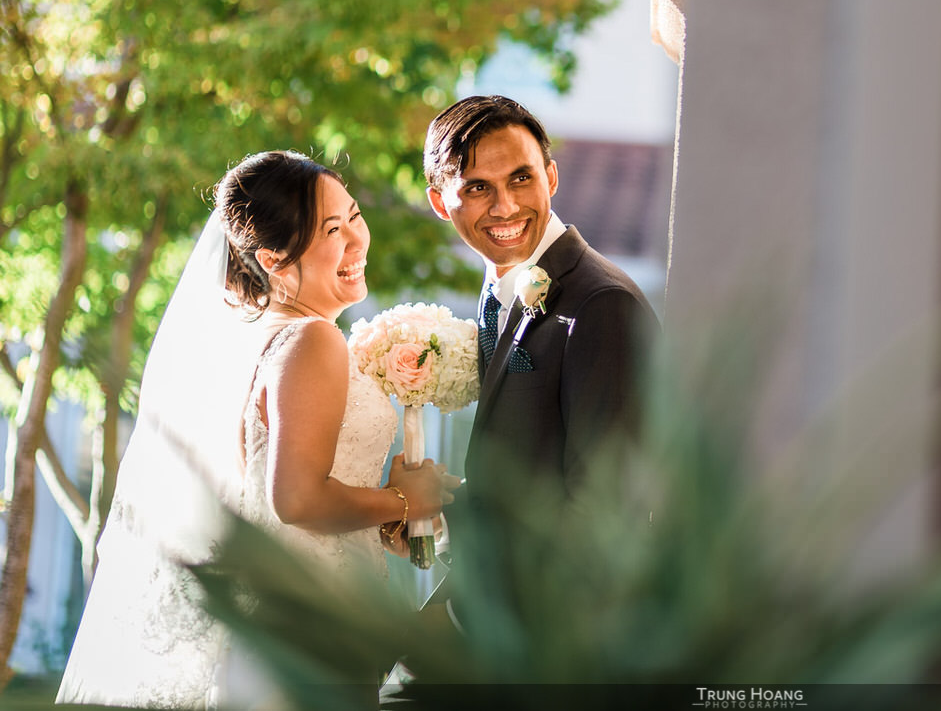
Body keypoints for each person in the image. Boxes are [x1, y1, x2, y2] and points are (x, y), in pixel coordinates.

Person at [58, 151, 456, 708]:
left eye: (355, 216)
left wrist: (387, 519)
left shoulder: (260, 337)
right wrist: (402, 500)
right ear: (273, 258)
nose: (357, 240)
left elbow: (266, 500)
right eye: (331, 230)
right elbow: (295, 499)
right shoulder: (311, 340)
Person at [423, 95, 657, 495]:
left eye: (521, 178)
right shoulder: (499, 289)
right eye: (479, 187)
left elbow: (604, 505)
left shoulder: (601, 304)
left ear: (550, 176)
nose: (506, 207)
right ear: (440, 203)